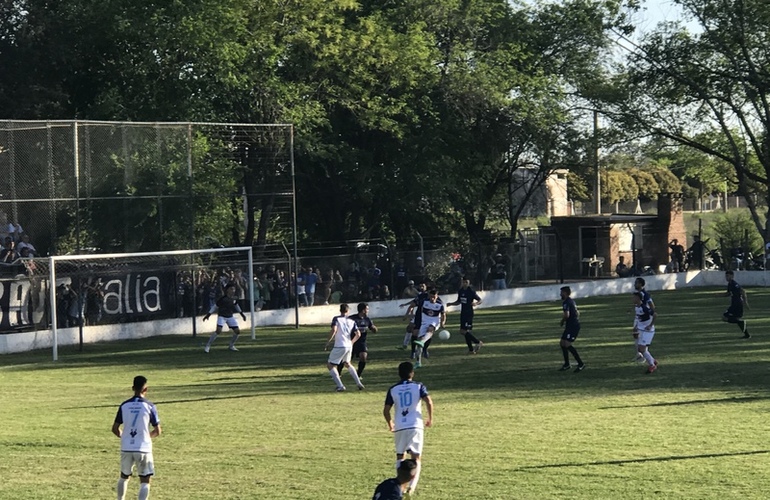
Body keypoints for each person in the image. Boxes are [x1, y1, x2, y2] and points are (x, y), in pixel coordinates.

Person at [383, 362, 434, 498]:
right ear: (412, 373)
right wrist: (430, 418)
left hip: (400, 426)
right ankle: (411, 488)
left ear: (399, 374)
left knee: (400, 456)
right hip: (415, 425)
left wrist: (390, 423)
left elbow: (386, 410)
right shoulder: (418, 386)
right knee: (416, 457)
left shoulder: (393, 389)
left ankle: (401, 486)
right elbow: (428, 401)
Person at [112, 375, 161, 500]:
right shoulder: (149, 406)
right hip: (143, 447)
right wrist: (147, 437)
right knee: (145, 480)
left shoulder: (124, 405)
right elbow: (157, 431)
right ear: (146, 389)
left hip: (126, 446)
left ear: (132, 388)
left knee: (124, 476)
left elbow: (115, 428)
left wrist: (124, 437)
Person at [324, 303, 365, 391]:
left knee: (330, 365)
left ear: (340, 310)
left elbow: (334, 330)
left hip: (340, 345)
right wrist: (352, 342)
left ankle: (340, 386)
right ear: (348, 311)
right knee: (347, 363)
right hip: (348, 345)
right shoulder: (351, 321)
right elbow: (358, 334)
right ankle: (358, 383)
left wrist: (328, 342)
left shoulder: (336, 319)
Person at [202, 283, 247, 353]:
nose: (233, 291)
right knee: (218, 331)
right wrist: (208, 315)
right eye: (231, 289)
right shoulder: (223, 299)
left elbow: (236, 306)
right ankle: (208, 346)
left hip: (230, 316)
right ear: (227, 290)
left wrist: (242, 314)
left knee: (237, 331)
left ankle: (231, 345)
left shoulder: (233, 299)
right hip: (222, 316)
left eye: (234, 289)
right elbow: (215, 306)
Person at [446, 277, 483, 354]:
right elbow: (459, 301)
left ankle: (478, 342)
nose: (465, 284)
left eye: (466, 282)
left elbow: (480, 300)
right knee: (465, 332)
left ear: (469, 283)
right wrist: (451, 304)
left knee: (463, 331)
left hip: (469, 313)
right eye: (464, 282)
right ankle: (471, 350)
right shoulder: (461, 291)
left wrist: (475, 303)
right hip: (463, 313)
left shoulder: (471, 291)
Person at [412, 289, 445, 368]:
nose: (432, 298)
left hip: (434, 321)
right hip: (424, 322)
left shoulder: (440, 305)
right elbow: (415, 306)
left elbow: (443, 315)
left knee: (430, 329)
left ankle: (423, 341)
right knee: (419, 343)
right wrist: (411, 314)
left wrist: (442, 323)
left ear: (437, 296)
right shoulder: (424, 302)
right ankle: (418, 362)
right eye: (431, 297)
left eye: (434, 297)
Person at [345, 302, 378, 378]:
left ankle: (358, 375)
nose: (368, 311)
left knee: (363, 357)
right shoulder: (352, 319)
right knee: (346, 360)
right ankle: (338, 372)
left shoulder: (367, 319)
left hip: (362, 342)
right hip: (352, 342)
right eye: (367, 309)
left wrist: (374, 329)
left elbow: (373, 329)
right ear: (363, 310)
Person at [558, 286, 585, 372]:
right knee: (562, 343)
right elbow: (578, 312)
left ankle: (581, 364)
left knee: (567, 344)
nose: (560, 294)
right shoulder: (571, 301)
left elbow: (567, 315)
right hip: (571, 325)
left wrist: (562, 321)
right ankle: (567, 364)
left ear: (565, 293)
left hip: (573, 327)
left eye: (561, 292)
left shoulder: (566, 302)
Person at [632, 291, 658, 374]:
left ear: (638, 298)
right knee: (640, 349)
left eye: (634, 297)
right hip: (641, 329)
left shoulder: (644, 308)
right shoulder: (636, 307)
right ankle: (652, 360)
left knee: (642, 349)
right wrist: (635, 327)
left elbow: (655, 315)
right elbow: (638, 317)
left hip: (648, 331)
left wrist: (650, 325)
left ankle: (652, 365)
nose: (632, 299)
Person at [631, 278, 656, 362]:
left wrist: (649, 313)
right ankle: (640, 354)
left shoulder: (645, 294)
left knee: (642, 335)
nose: (635, 284)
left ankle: (643, 354)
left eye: (636, 283)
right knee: (635, 335)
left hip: (644, 318)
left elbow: (652, 306)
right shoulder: (637, 294)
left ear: (641, 284)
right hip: (638, 317)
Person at [722, 270, 750, 339]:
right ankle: (747, 335)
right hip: (735, 303)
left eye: (728, 276)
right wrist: (719, 295)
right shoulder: (730, 284)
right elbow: (728, 293)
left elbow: (742, 291)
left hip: (737, 304)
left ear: (732, 276)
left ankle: (741, 323)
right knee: (736, 319)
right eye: (726, 276)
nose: (726, 277)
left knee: (724, 317)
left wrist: (745, 302)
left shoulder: (734, 284)